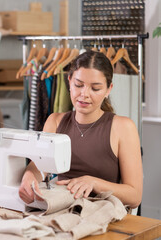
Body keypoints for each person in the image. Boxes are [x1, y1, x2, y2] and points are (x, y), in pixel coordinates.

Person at [19, 51, 143, 209]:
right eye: (78, 85)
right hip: (62, 210)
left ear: (108, 89)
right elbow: (38, 167)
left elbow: (135, 196)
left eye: (95, 88)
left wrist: (93, 182)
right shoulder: (55, 122)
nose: (84, 94)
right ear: (69, 81)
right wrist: (29, 176)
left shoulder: (123, 127)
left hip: (103, 214)